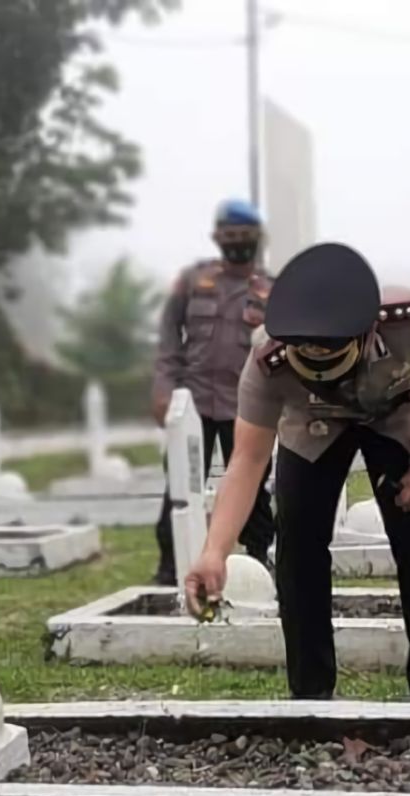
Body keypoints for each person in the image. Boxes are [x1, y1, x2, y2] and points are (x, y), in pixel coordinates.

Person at [184, 242, 410, 700]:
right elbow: (248, 459)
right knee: (296, 543)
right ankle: (310, 693)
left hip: (396, 418)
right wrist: (215, 551)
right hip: (312, 426)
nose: (322, 373)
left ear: (368, 332)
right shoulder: (266, 362)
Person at [150, 198, 277, 586]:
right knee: (181, 484)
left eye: (244, 236)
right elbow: (170, 337)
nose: (237, 242)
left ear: (257, 238)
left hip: (246, 406)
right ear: (217, 238)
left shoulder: (271, 289)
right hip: (195, 401)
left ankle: (258, 558)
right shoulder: (193, 282)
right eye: (230, 235)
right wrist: (163, 386)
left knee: (252, 485)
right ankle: (170, 565)